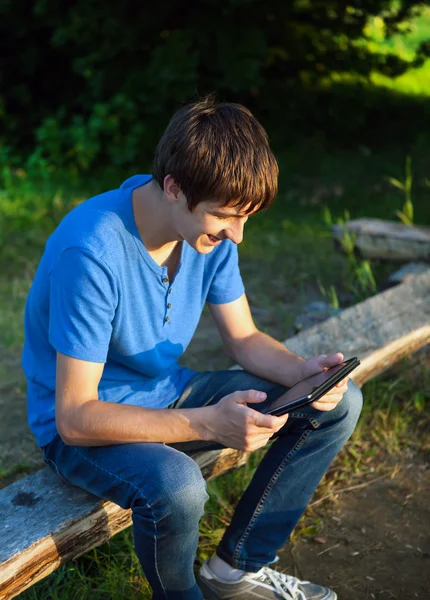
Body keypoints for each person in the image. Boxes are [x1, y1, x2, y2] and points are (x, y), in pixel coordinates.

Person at [22, 97, 363, 600]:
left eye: (244, 217)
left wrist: (302, 371)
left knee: (340, 403)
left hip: (168, 392)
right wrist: (208, 422)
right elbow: (75, 416)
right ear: (174, 188)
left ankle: (234, 572)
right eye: (224, 216)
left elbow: (244, 339)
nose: (236, 235)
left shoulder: (210, 237)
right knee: (179, 485)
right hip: (83, 428)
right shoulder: (91, 251)